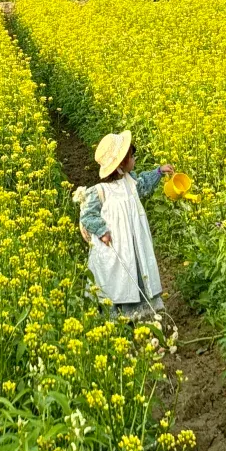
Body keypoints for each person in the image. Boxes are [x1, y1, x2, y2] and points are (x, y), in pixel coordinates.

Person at [74, 131, 173, 319]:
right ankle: (119, 315)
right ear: (120, 164)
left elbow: (144, 185)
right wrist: (102, 231)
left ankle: (143, 313)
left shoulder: (131, 182)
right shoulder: (100, 191)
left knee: (138, 270)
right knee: (118, 278)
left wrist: (159, 172)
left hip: (135, 243)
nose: (134, 159)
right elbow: (88, 215)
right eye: (131, 156)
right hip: (116, 245)